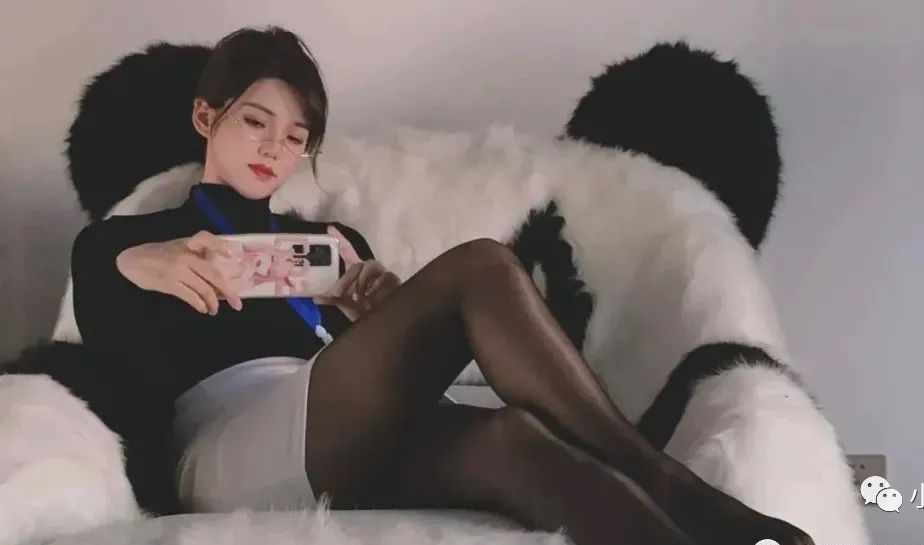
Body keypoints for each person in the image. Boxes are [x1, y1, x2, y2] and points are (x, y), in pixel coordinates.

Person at [70, 25, 814, 545]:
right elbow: (101, 327)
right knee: (481, 267)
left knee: (516, 441)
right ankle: (664, 476)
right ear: (207, 117)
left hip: (335, 432)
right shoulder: (132, 238)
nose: (274, 148)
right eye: (255, 122)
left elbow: (373, 380)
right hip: (228, 448)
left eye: (294, 137)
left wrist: (382, 318)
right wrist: (139, 263)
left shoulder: (334, 247)